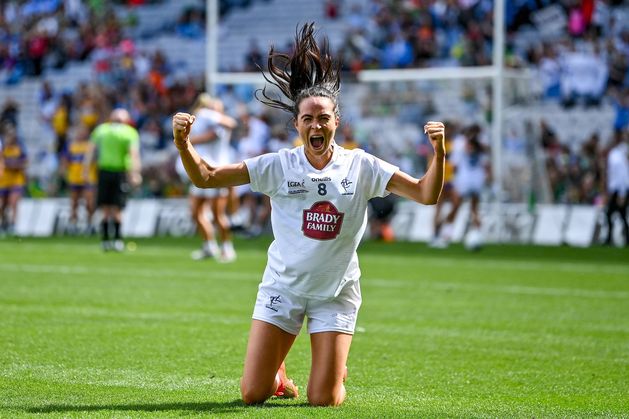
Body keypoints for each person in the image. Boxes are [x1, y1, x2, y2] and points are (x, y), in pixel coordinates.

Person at [172, 23, 445, 407]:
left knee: (324, 400)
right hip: (283, 288)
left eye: (323, 118)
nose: (316, 125)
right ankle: (279, 376)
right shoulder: (279, 165)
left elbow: (426, 193)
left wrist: (440, 154)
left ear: (337, 122)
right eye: (308, 119)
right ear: (296, 124)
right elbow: (206, 177)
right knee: (253, 394)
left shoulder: (361, 166)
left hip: (335, 293)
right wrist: (184, 145)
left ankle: (335, 372)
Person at [183, 93, 238, 262]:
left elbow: (218, 132)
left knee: (218, 214)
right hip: (201, 171)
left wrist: (185, 140)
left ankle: (228, 248)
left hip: (216, 172)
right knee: (196, 212)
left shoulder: (219, 124)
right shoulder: (207, 123)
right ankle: (209, 246)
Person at [84, 108, 141, 251]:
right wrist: (135, 173)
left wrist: (85, 170)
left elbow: (90, 151)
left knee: (106, 209)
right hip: (118, 173)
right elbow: (134, 155)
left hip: (105, 172)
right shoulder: (129, 132)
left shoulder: (101, 130)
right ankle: (116, 240)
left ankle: (106, 240)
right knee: (116, 209)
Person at [62, 124, 97, 234]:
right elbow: (65, 161)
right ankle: (73, 224)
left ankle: (91, 224)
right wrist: (65, 173)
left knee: (89, 203)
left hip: (89, 178)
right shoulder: (71, 145)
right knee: (74, 203)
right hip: (74, 178)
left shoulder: (91, 146)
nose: (81, 133)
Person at [0, 122, 27, 237]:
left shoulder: (19, 149)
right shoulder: (3, 150)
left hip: (16, 180)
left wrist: (11, 165)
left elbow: (24, 163)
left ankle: (14, 225)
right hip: (3, 180)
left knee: (13, 203)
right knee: (2, 205)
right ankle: (4, 223)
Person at [604, 131, 629, 246]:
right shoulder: (614, 153)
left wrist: (622, 193)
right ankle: (612, 238)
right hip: (615, 190)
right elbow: (612, 175)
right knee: (618, 215)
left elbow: (623, 174)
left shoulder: (620, 153)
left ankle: (610, 238)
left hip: (620, 190)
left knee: (613, 214)